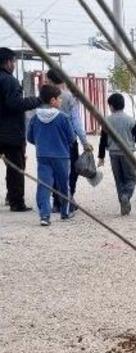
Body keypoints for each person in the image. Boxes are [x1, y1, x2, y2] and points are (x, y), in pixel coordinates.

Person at [26, 84, 75, 226]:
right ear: (53, 100)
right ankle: (65, 212)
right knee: (63, 185)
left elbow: (30, 138)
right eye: (59, 99)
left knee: (44, 185)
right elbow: (71, 138)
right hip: (61, 156)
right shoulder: (63, 118)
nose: (60, 101)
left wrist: (41, 143)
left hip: (42, 156)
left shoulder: (35, 118)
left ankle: (45, 216)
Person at [0, 47, 41, 212]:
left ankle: (11, 197)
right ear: (9, 62)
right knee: (16, 168)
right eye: (14, 62)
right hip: (9, 132)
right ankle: (16, 201)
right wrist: (37, 100)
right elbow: (15, 104)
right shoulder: (9, 81)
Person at [45, 68, 91, 214]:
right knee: (71, 171)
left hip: (51, 140)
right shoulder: (69, 98)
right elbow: (76, 121)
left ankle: (57, 202)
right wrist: (84, 141)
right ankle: (69, 199)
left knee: (53, 170)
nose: (46, 82)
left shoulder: (45, 98)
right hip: (69, 140)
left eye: (47, 79)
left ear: (52, 81)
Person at [98, 93, 136, 216]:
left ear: (112, 106)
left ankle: (122, 203)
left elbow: (103, 140)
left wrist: (101, 157)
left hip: (113, 154)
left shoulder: (106, 121)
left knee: (119, 180)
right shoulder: (131, 121)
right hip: (128, 153)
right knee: (131, 179)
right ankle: (126, 196)